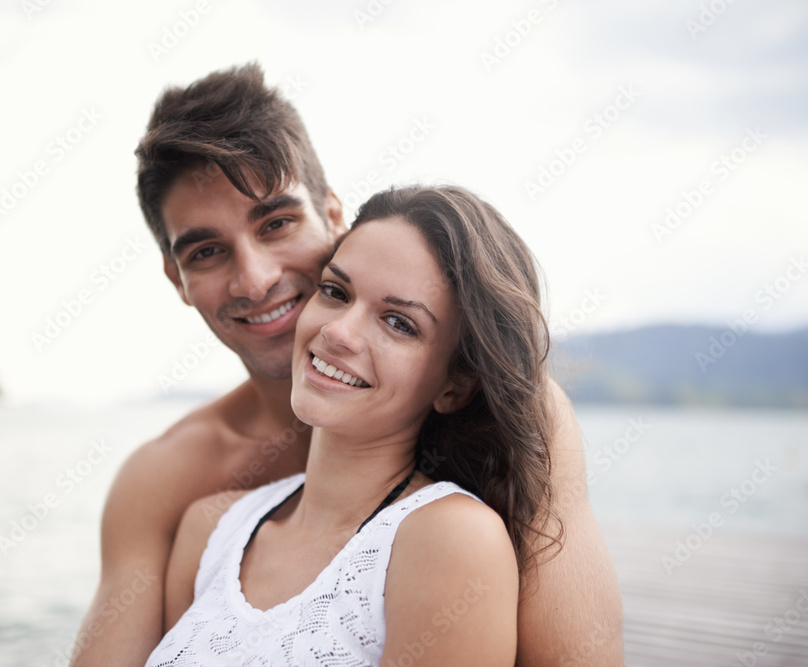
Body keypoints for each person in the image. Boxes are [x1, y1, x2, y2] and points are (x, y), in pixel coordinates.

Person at [69, 63, 622, 666]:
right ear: (178, 279)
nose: (255, 280)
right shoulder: (174, 483)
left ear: (334, 215)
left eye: (276, 223)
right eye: (206, 251)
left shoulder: (520, 421)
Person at [146, 184, 555, 665]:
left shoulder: (452, 540)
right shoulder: (209, 530)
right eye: (335, 292)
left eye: (399, 323)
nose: (337, 332)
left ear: (455, 386)